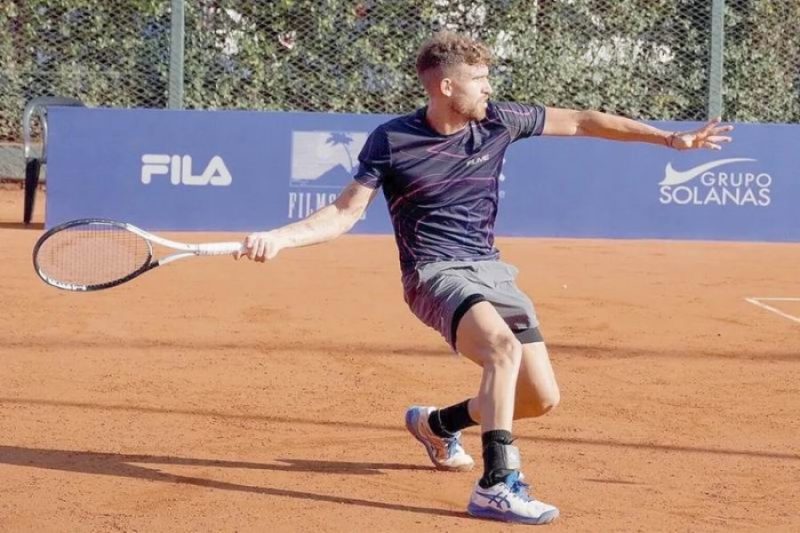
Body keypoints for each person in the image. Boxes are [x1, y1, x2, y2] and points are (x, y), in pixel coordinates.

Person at [236, 31, 733, 525]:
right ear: (446, 88)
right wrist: (280, 237)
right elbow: (345, 213)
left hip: (490, 268)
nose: (488, 87)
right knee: (502, 350)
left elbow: (582, 122)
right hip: (433, 272)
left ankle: (438, 425)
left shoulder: (498, 121)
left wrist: (668, 139)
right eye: (478, 79)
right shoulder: (392, 140)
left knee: (539, 398)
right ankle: (497, 485)